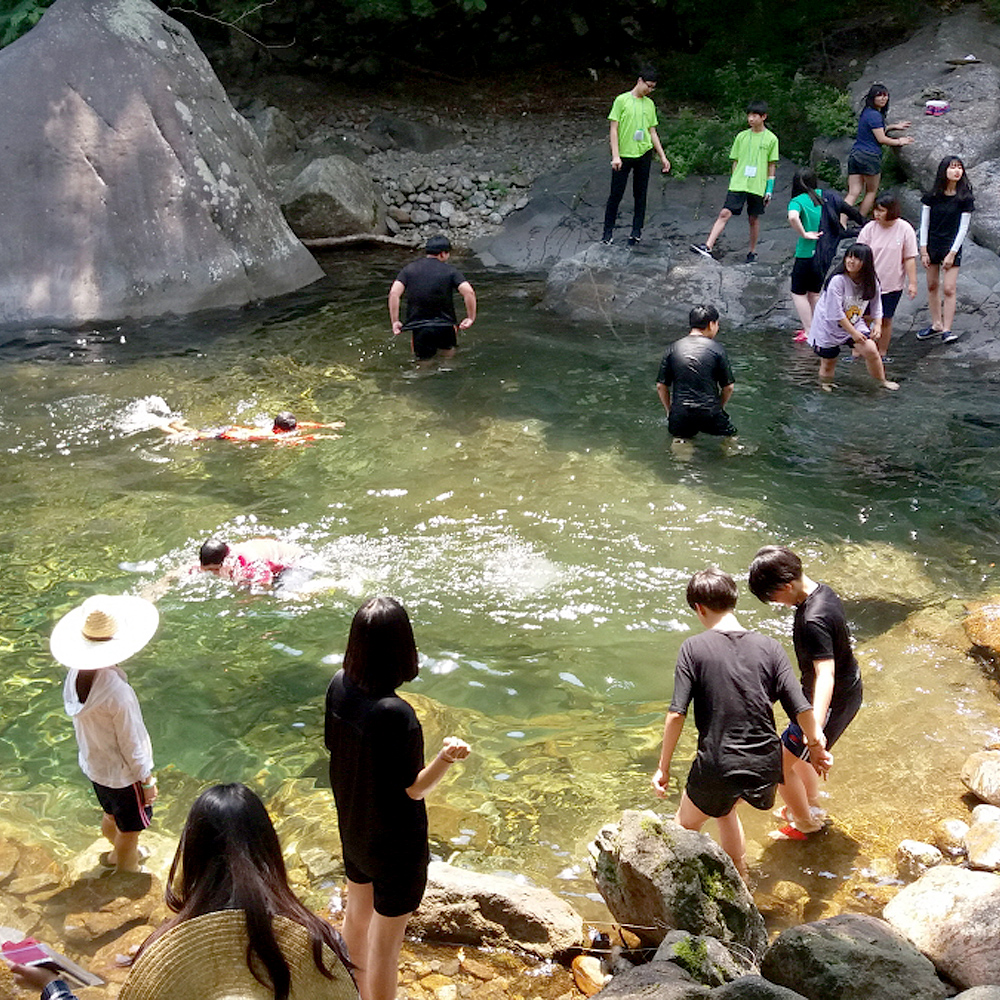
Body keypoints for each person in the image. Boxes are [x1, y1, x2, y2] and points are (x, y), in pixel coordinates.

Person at [12, 783, 357, 1000]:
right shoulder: (321, 942)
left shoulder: (163, 950)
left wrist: (52, 986)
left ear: (193, 857)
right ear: (270, 851)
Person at [325, 596, 470, 1000]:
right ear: (402, 648)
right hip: (396, 847)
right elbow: (415, 788)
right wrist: (445, 758)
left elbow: (334, 749)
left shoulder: (338, 686)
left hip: (354, 829)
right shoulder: (397, 714)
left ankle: (351, 992)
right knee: (387, 943)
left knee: (356, 918)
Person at [651, 568, 830, 880]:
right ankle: (742, 875)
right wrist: (815, 746)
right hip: (765, 763)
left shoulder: (693, 648)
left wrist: (663, 768)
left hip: (720, 763)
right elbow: (801, 708)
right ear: (732, 601)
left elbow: (676, 714)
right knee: (726, 809)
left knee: (683, 827)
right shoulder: (770, 647)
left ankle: (694, 892)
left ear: (699, 608)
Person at [749, 546, 863, 840]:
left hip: (829, 702)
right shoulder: (823, 593)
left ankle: (806, 824)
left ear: (787, 585)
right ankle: (810, 805)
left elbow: (826, 674)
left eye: (773, 596)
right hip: (835, 694)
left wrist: (815, 735)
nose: (775, 603)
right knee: (794, 757)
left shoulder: (813, 619)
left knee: (777, 767)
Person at [49, 595, 159, 874]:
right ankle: (126, 867)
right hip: (124, 775)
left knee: (111, 814)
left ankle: (118, 852)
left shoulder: (74, 677)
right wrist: (146, 781)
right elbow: (131, 741)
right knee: (132, 829)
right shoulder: (118, 694)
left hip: (96, 767)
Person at [691, 101, 778, 263]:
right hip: (739, 183)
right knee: (725, 212)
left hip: (758, 185)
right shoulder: (742, 136)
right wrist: (734, 179)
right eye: (749, 115)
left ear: (763, 117)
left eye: (755, 116)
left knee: (753, 218)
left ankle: (752, 251)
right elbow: (735, 161)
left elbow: (771, 165)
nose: (751, 119)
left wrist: (769, 189)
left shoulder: (771, 139)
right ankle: (708, 246)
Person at [805, 243, 898, 391]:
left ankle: (882, 381)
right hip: (828, 325)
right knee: (829, 362)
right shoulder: (837, 281)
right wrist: (854, 333)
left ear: (865, 262)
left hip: (853, 320)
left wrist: (878, 325)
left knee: (871, 349)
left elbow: (877, 304)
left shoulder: (871, 281)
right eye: (849, 257)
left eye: (856, 258)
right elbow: (835, 313)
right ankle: (826, 383)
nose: (851, 261)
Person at [600, 66, 671, 246]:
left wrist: (662, 156)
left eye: (653, 87)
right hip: (624, 154)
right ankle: (607, 232)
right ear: (639, 81)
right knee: (616, 194)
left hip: (643, 153)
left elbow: (652, 131)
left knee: (640, 193)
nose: (650, 90)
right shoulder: (622, 100)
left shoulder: (649, 104)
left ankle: (636, 231)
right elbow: (613, 129)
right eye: (648, 85)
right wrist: (615, 155)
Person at [655, 304, 737, 449]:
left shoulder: (673, 348)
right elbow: (728, 387)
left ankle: (681, 465)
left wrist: (670, 412)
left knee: (681, 442)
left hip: (680, 413)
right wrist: (719, 408)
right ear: (711, 324)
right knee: (730, 438)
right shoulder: (717, 349)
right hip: (710, 412)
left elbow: (661, 386)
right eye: (717, 324)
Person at [388, 236, 476, 362]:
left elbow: (394, 294)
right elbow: (469, 292)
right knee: (447, 364)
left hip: (420, 328)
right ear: (442, 254)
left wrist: (395, 321)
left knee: (422, 365)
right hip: (445, 326)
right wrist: (470, 317)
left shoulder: (409, 270)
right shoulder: (451, 271)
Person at [916, 155, 975, 345]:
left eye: (959, 167)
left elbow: (963, 228)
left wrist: (952, 253)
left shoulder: (964, 198)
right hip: (932, 243)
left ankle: (948, 329)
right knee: (932, 285)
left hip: (952, 245)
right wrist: (923, 250)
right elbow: (924, 224)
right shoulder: (932, 196)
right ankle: (936, 324)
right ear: (944, 171)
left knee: (949, 288)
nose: (957, 171)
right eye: (952, 167)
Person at [857, 192, 918, 359]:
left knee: (886, 319)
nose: (877, 214)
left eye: (881, 211)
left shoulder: (905, 229)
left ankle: (882, 353)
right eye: (876, 210)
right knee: (863, 317)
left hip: (892, 284)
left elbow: (909, 258)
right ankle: (857, 352)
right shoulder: (869, 228)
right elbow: (859, 253)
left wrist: (912, 283)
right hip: (867, 283)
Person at [844, 84, 913, 219]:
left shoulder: (867, 112)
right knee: (871, 191)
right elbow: (881, 138)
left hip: (856, 154)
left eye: (885, 95)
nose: (883, 98)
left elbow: (875, 130)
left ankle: (840, 221)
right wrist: (900, 141)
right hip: (870, 156)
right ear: (872, 97)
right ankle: (860, 220)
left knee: (853, 192)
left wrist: (894, 126)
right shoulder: (875, 115)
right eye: (879, 95)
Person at [786, 168, 826, 342]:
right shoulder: (822, 196)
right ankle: (818, 328)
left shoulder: (797, 201)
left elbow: (793, 217)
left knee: (798, 292)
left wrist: (804, 233)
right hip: (822, 252)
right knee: (815, 293)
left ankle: (809, 331)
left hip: (805, 253)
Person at [157, 410, 344, 444]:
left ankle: (175, 424)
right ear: (278, 429)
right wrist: (322, 437)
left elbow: (302, 426)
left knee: (195, 432)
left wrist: (327, 425)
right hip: (228, 435)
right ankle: (165, 427)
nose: (295, 429)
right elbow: (298, 439)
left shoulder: (277, 428)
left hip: (233, 429)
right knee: (190, 436)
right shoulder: (273, 436)